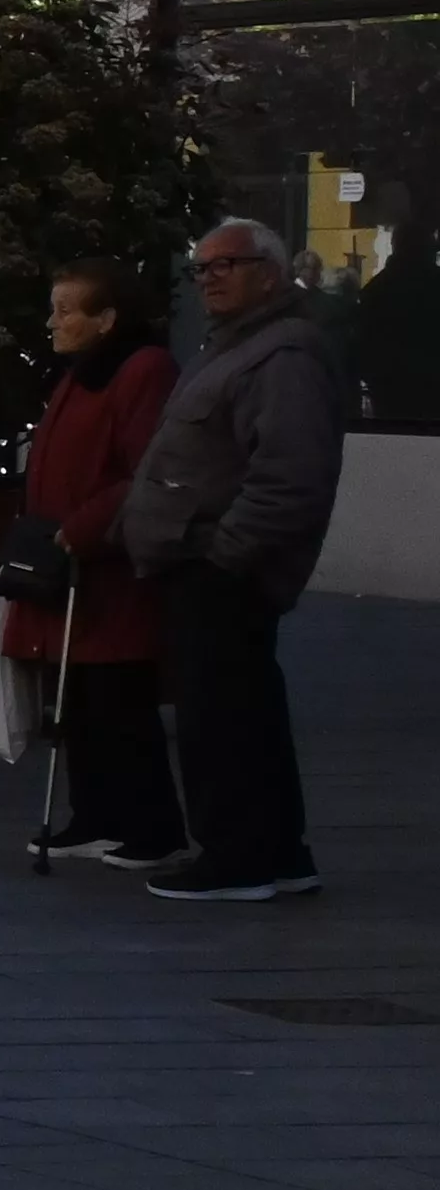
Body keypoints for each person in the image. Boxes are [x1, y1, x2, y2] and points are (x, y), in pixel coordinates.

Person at [126, 216, 345, 903]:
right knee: (240, 711)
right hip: (200, 561)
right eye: (202, 268)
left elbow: (290, 475)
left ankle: (236, 859)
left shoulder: (283, 356)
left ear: (271, 273)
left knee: (221, 719)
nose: (210, 277)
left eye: (227, 264)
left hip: (223, 567)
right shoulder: (231, 349)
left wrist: (227, 556)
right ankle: (278, 853)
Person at [14, 256, 185, 870]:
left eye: (66, 310)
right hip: (69, 560)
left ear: (107, 318)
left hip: (108, 563)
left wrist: (84, 527)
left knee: (120, 700)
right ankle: (96, 816)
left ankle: (152, 826)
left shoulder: (143, 370)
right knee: (80, 699)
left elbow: (146, 467)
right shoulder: (84, 371)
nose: (53, 322)